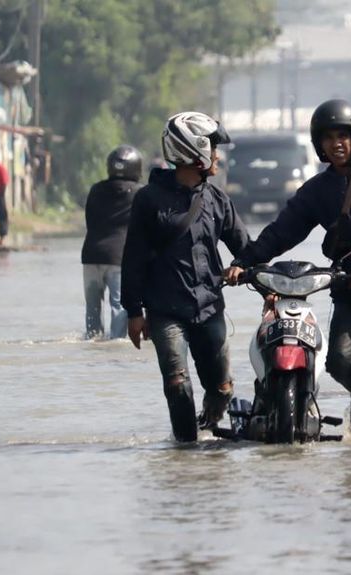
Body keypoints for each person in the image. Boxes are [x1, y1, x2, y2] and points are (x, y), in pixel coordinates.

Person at [226, 99, 351, 437]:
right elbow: (282, 231)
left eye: (343, 136)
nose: (337, 144)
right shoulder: (316, 191)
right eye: (329, 138)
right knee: (339, 363)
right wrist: (244, 262)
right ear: (319, 145)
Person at [121, 112, 250, 443]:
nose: (218, 156)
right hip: (165, 311)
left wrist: (258, 276)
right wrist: (134, 312)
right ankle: (186, 451)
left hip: (209, 307)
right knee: (177, 383)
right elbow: (132, 257)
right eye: (214, 148)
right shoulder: (148, 200)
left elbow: (246, 247)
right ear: (195, 151)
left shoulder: (218, 199)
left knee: (221, 390)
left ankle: (207, 427)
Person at [81, 145, 143, 339]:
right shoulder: (139, 193)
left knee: (93, 307)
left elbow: (89, 220)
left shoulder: (96, 189)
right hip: (119, 258)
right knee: (119, 305)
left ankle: (93, 339)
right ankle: (116, 343)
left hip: (91, 255)